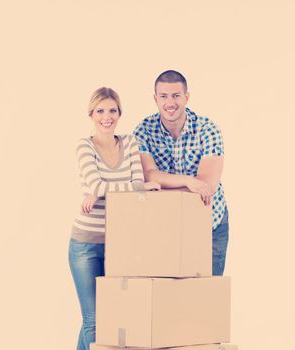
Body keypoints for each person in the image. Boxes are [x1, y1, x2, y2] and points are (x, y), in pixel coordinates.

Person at [68, 87, 159, 350]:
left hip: (118, 244)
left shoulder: (129, 142)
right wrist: (127, 188)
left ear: (119, 113)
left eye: (112, 110)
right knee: (94, 321)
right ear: (91, 114)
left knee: (109, 317)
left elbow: (137, 181)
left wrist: (105, 190)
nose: (106, 117)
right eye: (100, 111)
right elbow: (101, 186)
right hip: (86, 243)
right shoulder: (84, 146)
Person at [133, 70, 229, 276]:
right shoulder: (143, 130)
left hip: (209, 221)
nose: (170, 102)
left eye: (176, 95)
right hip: (165, 224)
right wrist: (187, 181)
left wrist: (164, 182)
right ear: (155, 99)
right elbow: (148, 176)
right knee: (170, 296)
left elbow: (206, 186)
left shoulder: (208, 129)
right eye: (164, 96)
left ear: (187, 97)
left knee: (208, 293)